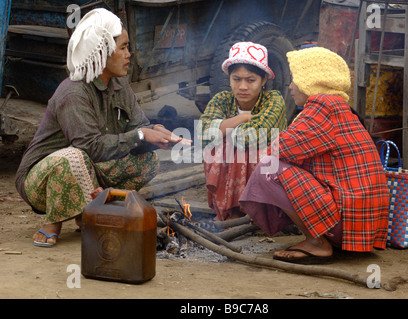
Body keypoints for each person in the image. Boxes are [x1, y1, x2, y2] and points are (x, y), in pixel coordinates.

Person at [15, 8, 190, 247]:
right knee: (72, 158)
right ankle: (53, 221)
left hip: (88, 168)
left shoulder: (119, 84)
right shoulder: (73, 92)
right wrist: (139, 134)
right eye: (123, 47)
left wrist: (154, 135)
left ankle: (87, 212)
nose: (129, 54)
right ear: (102, 51)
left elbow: (140, 127)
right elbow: (90, 147)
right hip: (41, 181)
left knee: (149, 160)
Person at [239, 47, 390, 264]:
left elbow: (279, 149)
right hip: (361, 225)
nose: (290, 86)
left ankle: (317, 242)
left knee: (268, 168)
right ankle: (320, 238)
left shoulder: (323, 106)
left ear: (312, 81)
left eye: (295, 79)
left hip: (346, 223)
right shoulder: (338, 106)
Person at [197, 42, 287, 221]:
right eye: (236, 79)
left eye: (251, 80)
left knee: (238, 145)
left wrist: (224, 128)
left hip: (271, 169)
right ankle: (228, 209)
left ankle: (255, 210)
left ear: (263, 81)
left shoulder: (274, 100)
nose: (243, 87)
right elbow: (203, 132)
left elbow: (250, 137)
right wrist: (241, 119)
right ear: (229, 79)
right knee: (216, 147)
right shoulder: (222, 99)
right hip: (235, 155)